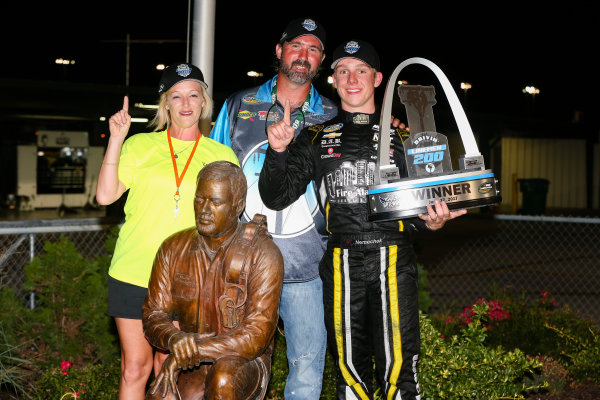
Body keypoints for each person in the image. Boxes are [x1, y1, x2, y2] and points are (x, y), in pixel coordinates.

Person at [258, 39, 467, 400]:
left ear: (377, 79)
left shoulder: (406, 136)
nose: (351, 78)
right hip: (341, 261)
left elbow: (420, 207)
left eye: (361, 71)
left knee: (400, 367)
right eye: (342, 71)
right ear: (334, 81)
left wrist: (432, 222)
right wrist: (277, 153)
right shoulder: (313, 136)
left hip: (394, 258)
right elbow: (276, 196)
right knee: (349, 369)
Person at [209, 17, 336, 399]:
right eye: (296, 46)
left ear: (321, 60)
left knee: (306, 371)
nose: (304, 55)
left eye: (313, 49)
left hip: (307, 270)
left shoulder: (333, 115)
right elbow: (213, 174)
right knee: (232, 371)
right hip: (240, 269)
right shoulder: (238, 105)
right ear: (279, 52)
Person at [96, 62, 239, 400]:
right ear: (166, 104)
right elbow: (104, 195)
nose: (186, 103)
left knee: (170, 368)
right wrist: (116, 139)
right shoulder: (139, 146)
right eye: (177, 96)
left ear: (204, 102)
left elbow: (229, 221)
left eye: (193, 95)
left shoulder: (221, 155)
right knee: (135, 367)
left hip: (188, 280)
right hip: (134, 272)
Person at [142, 160, 284, 399]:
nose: (204, 209)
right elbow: (153, 314)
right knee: (161, 394)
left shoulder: (263, 253)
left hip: (243, 361)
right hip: (192, 361)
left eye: (216, 202)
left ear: (237, 206)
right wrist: (174, 338)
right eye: (200, 199)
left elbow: (255, 336)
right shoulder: (173, 248)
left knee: (223, 378)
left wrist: (192, 350)